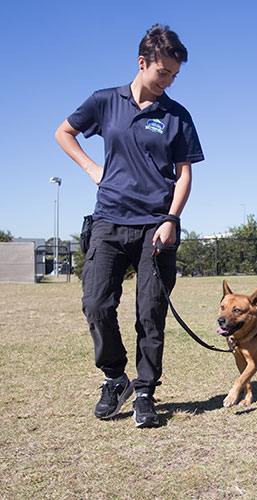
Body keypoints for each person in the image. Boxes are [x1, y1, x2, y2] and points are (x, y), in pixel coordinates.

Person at [55, 25, 204, 427]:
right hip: (108, 221)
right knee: (96, 303)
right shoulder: (105, 102)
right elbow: (63, 132)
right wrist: (91, 168)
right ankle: (115, 378)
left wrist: (172, 219)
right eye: (163, 73)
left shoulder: (176, 115)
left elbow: (185, 174)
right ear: (142, 63)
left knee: (150, 312)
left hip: (156, 227)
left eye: (174, 75)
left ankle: (144, 391)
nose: (168, 81)